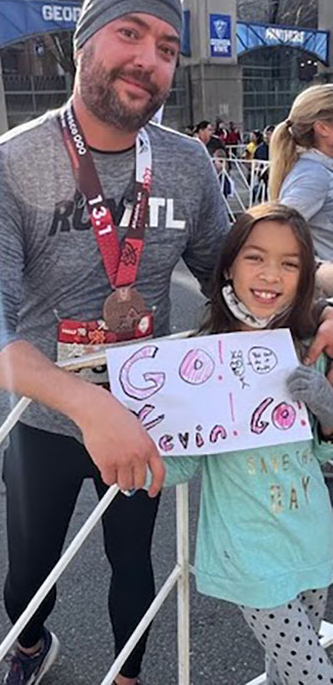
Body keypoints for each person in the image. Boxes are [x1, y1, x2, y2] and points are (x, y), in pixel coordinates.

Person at [0, 0, 230, 685]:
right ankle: (29, 646)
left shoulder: (187, 163)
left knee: (134, 566)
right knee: (27, 578)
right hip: (48, 420)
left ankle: (129, 677)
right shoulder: (7, 164)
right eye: (130, 33)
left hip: (147, 415)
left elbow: (229, 281)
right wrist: (86, 404)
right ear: (83, 42)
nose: (149, 58)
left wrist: (309, 293)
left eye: (168, 47)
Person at [151, 203, 333, 684]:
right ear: (229, 263)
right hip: (250, 557)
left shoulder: (306, 345)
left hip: (313, 540)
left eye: (290, 263)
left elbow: (323, 452)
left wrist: (326, 407)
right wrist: (130, 427)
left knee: (284, 676)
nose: (271, 274)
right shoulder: (199, 357)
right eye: (256, 257)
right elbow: (180, 467)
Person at [269, 84, 333, 296]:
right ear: (323, 128)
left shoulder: (320, 170)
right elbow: (273, 237)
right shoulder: (314, 175)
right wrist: (318, 272)